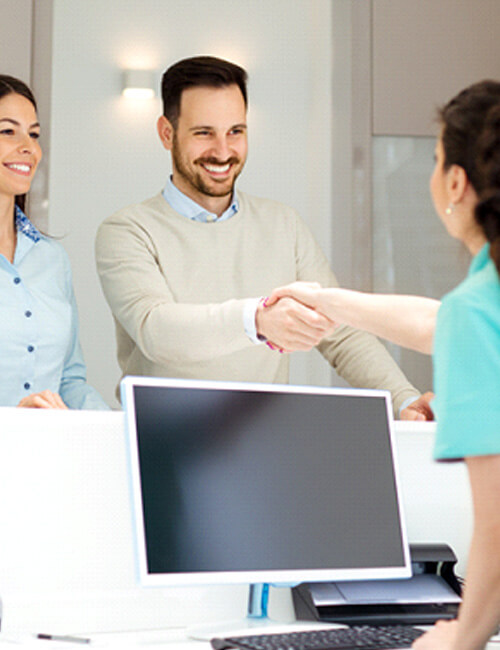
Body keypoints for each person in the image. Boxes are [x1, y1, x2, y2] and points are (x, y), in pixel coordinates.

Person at [268, 80, 500, 649]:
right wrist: (328, 301)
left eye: (436, 158)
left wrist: (462, 634)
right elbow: (437, 322)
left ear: (454, 182)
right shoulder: (482, 297)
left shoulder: (478, 310)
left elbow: (498, 521)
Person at [95, 55, 430, 418]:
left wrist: (403, 399)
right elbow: (156, 330)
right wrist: (256, 319)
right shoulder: (127, 230)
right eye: (204, 132)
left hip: (261, 440)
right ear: (166, 133)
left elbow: (341, 333)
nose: (223, 152)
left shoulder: (284, 225)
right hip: (161, 440)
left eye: (235, 131)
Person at [0, 75, 108, 410]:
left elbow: (70, 381)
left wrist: (117, 430)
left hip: (47, 458)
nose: (29, 148)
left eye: (33, 134)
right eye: (7, 131)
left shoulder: (52, 259)